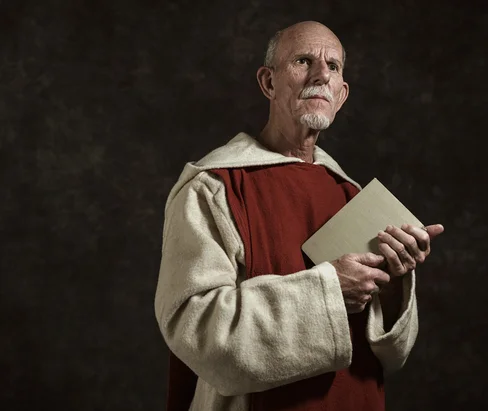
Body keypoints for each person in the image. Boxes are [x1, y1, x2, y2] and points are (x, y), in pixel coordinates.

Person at [154, 20, 444, 411]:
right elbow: (195, 327)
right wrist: (329, 292)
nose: (321, 75)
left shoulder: (352, 196)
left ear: (341, 96)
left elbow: (391, 356)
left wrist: (392, 287)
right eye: (304, 61)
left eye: (334, 66)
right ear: (269, 83)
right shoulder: (214, 187)